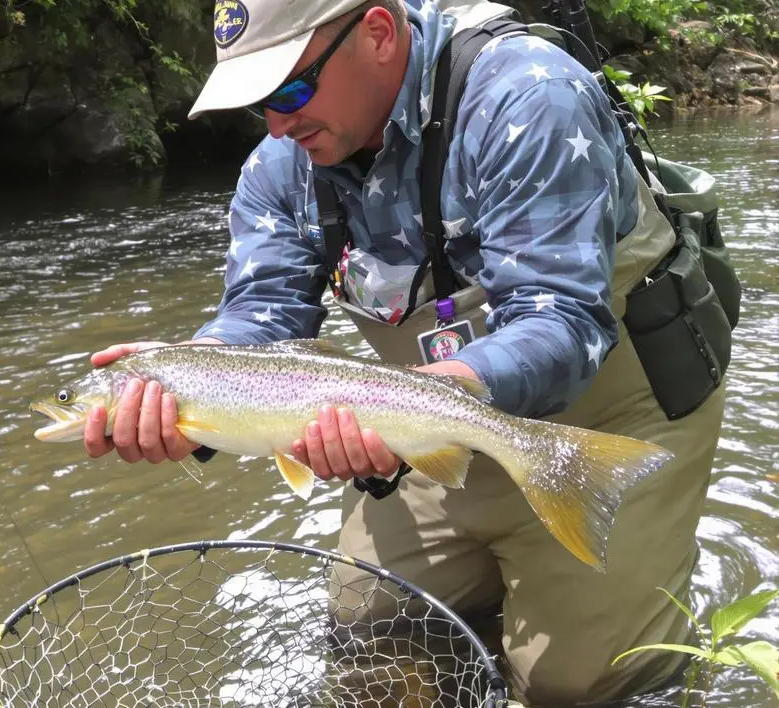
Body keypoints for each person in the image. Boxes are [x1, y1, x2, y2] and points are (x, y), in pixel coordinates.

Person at [81, 0, 729, 704]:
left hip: (611, 412)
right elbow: (260, 316)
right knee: (374, 641)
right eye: (256, 103)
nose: (278, 124)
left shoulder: (530, 95)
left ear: (379, 33)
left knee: (583, 685)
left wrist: (415, 406)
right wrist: (185, 382)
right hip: (418, 422)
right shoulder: (282, 165)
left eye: (291, 90)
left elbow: (561, 321)